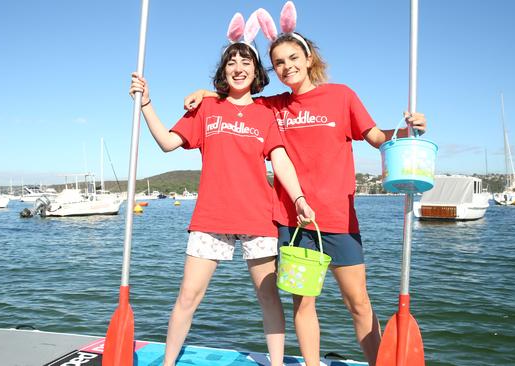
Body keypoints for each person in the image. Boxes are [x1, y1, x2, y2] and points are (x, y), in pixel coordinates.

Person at [183, 3, 427, 365]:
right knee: (303, 303)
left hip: (338, 218)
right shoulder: (275, 106)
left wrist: (410, 131)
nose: (287, 67)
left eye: (292, 58)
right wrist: (205, 94)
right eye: (279, 62)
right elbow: (238, 97)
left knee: (357, 302)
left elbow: (377, 137)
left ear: (309, 56)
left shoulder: (342, 96)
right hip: (293, 222)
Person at [129, 12, 314, 366]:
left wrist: (299, 199)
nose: (239, 67)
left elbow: (281, 161)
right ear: (224, 70)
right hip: (212, 215)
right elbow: (168, 143)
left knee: (269, 298)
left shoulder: (265, 112)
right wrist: (147, 103)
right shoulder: (207, 107)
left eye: (246, 61)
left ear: (257, 71)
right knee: (188, 296)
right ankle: (167, 363)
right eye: (232, 61)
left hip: (258, 216)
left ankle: (277, 364)